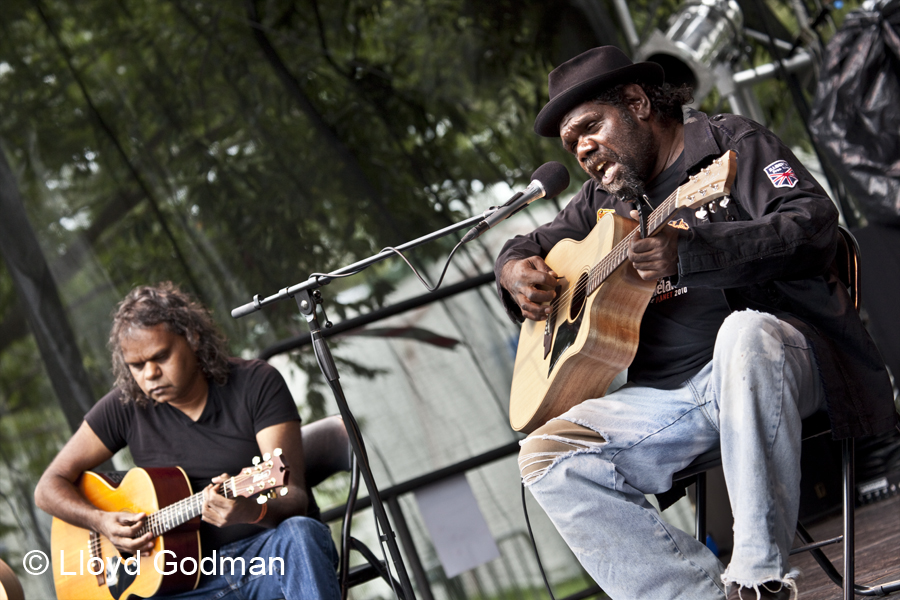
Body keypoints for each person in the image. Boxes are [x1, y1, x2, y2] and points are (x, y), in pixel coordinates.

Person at [495, 46, 897, 600]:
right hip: (671, 402)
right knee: (545, 455)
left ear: (636, 103)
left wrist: (693, 249)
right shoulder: (600, 201)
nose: (583, 150)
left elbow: (813, 223)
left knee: (743, 333)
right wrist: (513, 271)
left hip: (780, 365)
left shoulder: (730, 145)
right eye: (571, 145)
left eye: (590, 127)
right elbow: (526, 245)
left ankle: (758, 580)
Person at [35, 282, 340, 600]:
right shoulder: (125, 406)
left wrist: (250, 510)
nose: (149, 374)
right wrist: (101, 521)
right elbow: (47, 487)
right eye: (136, 366)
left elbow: (294, 496)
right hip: (185, 584)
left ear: (192, 338)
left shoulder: (256, 383)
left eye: (160, 357)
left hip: (268, 557)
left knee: (301, 534)